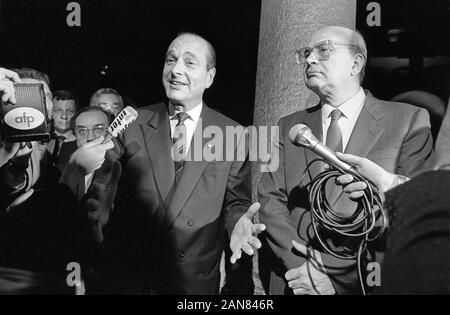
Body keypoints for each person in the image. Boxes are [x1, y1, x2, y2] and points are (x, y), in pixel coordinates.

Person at [258, 26, 434, 295]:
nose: (310, 59)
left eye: (323, 50)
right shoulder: (289, 126)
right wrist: (303, 268)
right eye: (306, 53)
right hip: (294, 281)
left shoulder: (409, 121)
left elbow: (415, 213)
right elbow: (270, 200)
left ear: (356, 63)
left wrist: (338, 276)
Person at [85, 32, 265, 294]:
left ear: (210, 77)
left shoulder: (232, 134)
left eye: (190, 63)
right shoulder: (132, 123)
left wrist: (238, 223)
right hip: (132, 278)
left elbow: (236, 202)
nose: (176, 69)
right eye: (171, 60)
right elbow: (100, 189)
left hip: (193, 282)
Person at [50, 90, 79, 172]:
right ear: (50, 112)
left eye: (69, 111)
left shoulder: (82, 142)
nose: (64, 116)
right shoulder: (38, 142)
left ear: (76, 114)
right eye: (58, 110)